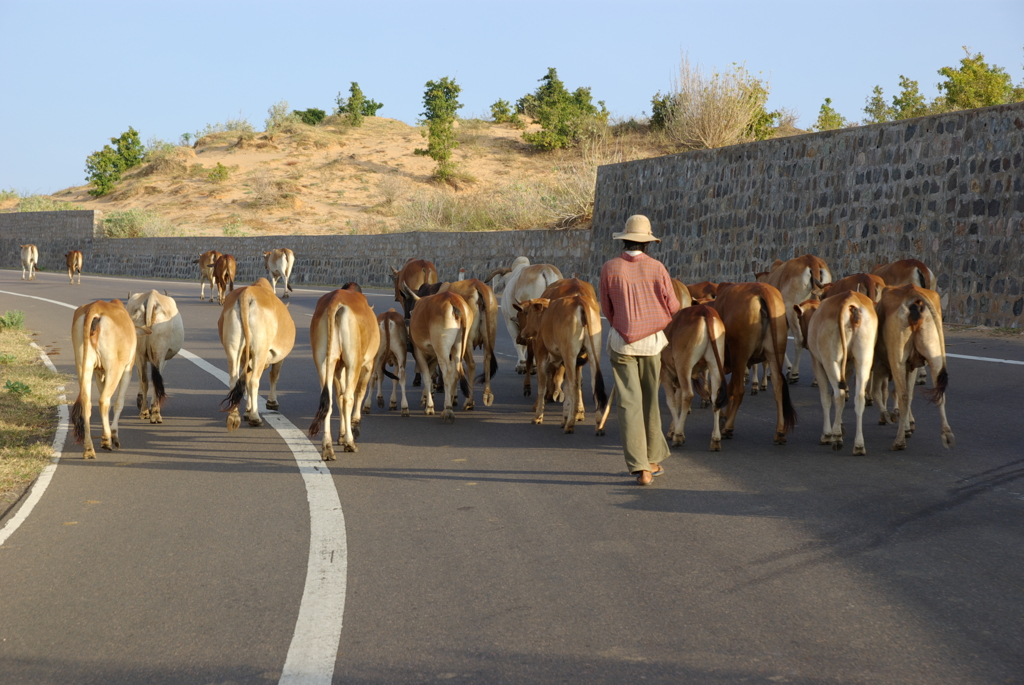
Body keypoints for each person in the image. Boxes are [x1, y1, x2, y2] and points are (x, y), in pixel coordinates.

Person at [599, 215, 679, 485]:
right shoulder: (657, 268)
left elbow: (606, 309)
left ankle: (641, 468)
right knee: (649, 401)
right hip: (652, 344)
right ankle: (654, 458)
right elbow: (673, 306)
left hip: (622, 343)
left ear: (625, 240)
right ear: (647, 243)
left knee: (628, 404)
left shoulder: (610, 268)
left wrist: (624, 324)